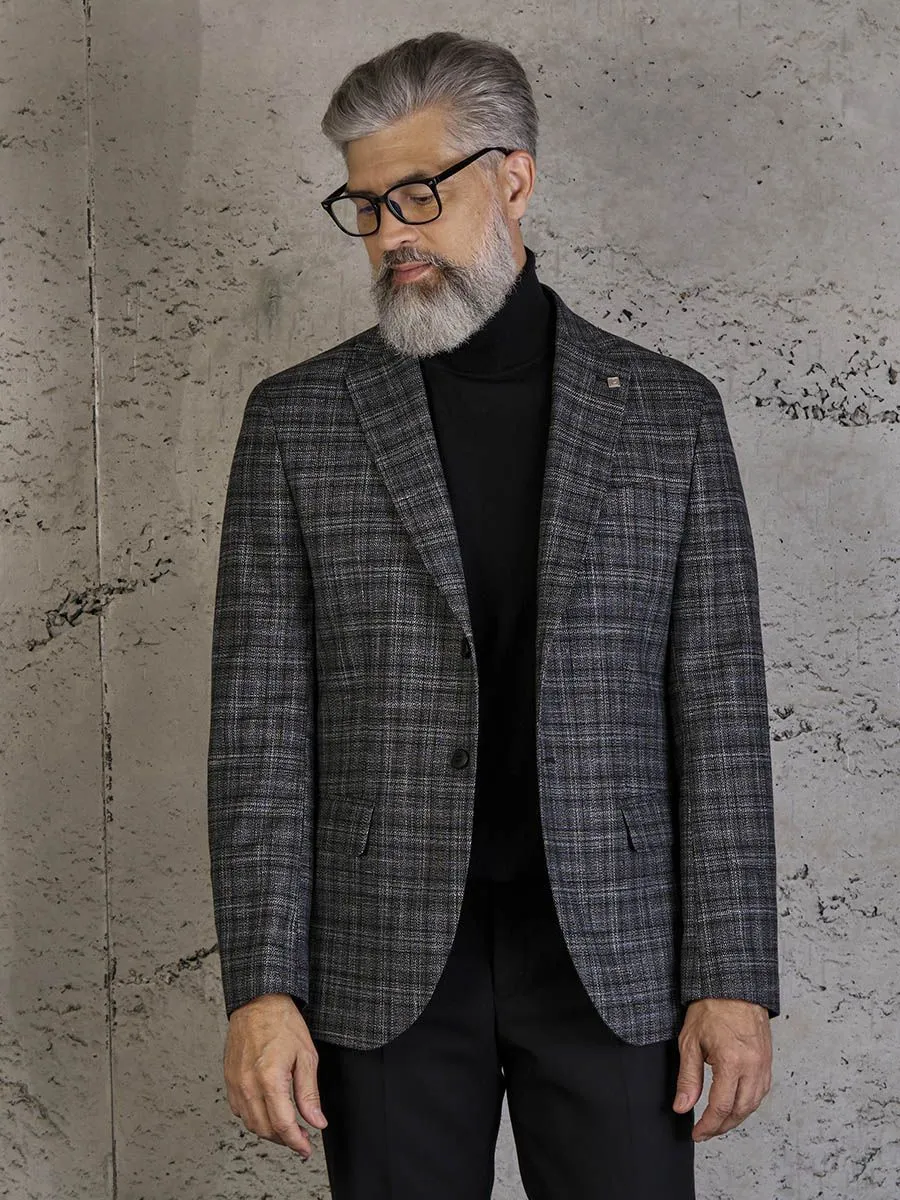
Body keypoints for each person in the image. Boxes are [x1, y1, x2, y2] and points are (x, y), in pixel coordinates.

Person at [207, 30, 780, 1200]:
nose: (392, 234)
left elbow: (719, 713)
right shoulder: (299, 422)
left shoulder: (669, 415)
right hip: (384, 957)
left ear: (514, 178)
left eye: (419, 194)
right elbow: (260, 729)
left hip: (615, 954)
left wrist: (733, 976)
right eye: (367, 206)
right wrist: (263, 988)